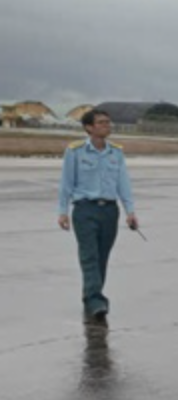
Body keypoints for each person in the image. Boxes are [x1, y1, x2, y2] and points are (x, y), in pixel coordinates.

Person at [57, 108, 138, 327]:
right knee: (89, 256)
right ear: (89, 127)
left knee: (102, 257)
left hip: (109, 211)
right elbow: (66, 183)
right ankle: (96, 300)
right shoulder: (75, 151)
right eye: (101, 122)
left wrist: (130, 211)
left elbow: (123, 183)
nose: (107, 126)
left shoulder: (116, 152)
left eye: (108, 122)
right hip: (85, 210)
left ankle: (91, 296)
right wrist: (63, 211)